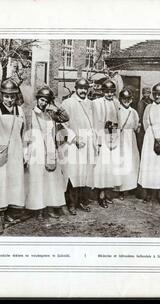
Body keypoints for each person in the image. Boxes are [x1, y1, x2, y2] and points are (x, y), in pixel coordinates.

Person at [0, 79, 26, 234]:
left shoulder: (20, 111)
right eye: (6, 96)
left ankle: (8, 213)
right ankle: (0, 219)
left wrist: (25, 153)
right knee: (0, 184)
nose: (9, 99)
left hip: (16, 152)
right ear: (1, 95)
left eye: (12, 96)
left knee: (12, 184)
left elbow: (23, 133)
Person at [23, 86, 69, 216]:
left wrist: (55, 105)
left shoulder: (50, 114)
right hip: (36, 147)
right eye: (42, 100)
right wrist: (25, 151)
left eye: (46, 101)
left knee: (51, 179)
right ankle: (37, 208)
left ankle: (50, 206)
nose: (43, 103)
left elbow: (66, 117)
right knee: (37, 178)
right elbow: (26, 131)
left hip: (49, 147)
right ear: (37, 99)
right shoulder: (30, 113)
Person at [58, 78, 97, 214]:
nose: (83, 91)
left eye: (85, 88)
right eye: (80, 88)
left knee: (85, 173)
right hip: (73, 143)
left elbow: (94, 123)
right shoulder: (68, 103)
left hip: (88, 141)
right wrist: (74, 139)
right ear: (75, 88)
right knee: (72, 173)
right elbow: (62, 124)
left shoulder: (91, 103)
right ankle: (71, 203)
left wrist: (95, 141)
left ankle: (82, 201)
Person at [138, 82, 160, 204]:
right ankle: (148, 194)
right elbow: (145, 122)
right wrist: (151, 136)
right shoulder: (149, 107)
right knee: (149, 165)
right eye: (155, 94)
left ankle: (159, 193)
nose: (157, 96)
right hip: (150, 137)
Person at [90, 79, 122, 208]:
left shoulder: (116, 103)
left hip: (113, 136)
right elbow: (94, 122)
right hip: (101, 136)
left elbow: (119, 120)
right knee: (102, 166)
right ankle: (101, 194)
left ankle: (108, 192)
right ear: (102, 92)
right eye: (107, 92)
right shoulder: (96, 103)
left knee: (111, 166)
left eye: (111, 92)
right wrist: (97, 139)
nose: (109, 94)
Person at [116, 88, 140, 200]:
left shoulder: (133, 112)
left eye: (128, 99)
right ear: (120, 99)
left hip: (131, 138)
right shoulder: (117, 109)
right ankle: (120, 188)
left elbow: (136, 126)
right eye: (124, 99)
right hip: (120, 138)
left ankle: (130, 187)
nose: (126, 101)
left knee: (131, 162)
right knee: (121, 162)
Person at [137, 87, 153, 152]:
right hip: (142, 127)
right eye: (145, 93)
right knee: (142, 143)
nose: (146, 95)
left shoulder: (152, 102)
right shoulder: (141, 103)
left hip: (150, 125)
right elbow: (139, 115)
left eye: (148, 93)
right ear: (142, 94)